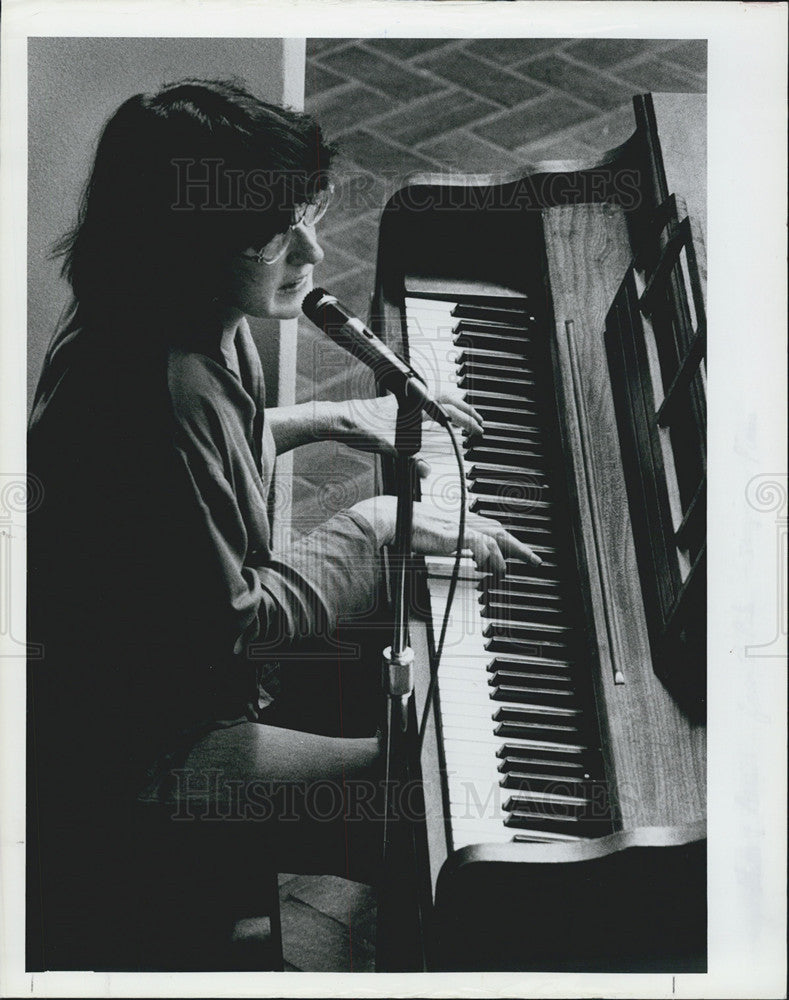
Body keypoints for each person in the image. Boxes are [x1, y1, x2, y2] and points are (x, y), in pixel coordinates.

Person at [26, 78, 540, 969]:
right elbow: (231, 621)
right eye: (275, 230)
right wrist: (376, 523)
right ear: (188, 239)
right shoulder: (158, 392)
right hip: (147, 752)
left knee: (423, 669)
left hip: (183, 684)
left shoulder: (182, 319)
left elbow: (201, 481)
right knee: (431, 803)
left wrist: (334, 420)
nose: (310, 247)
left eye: (310, 211)